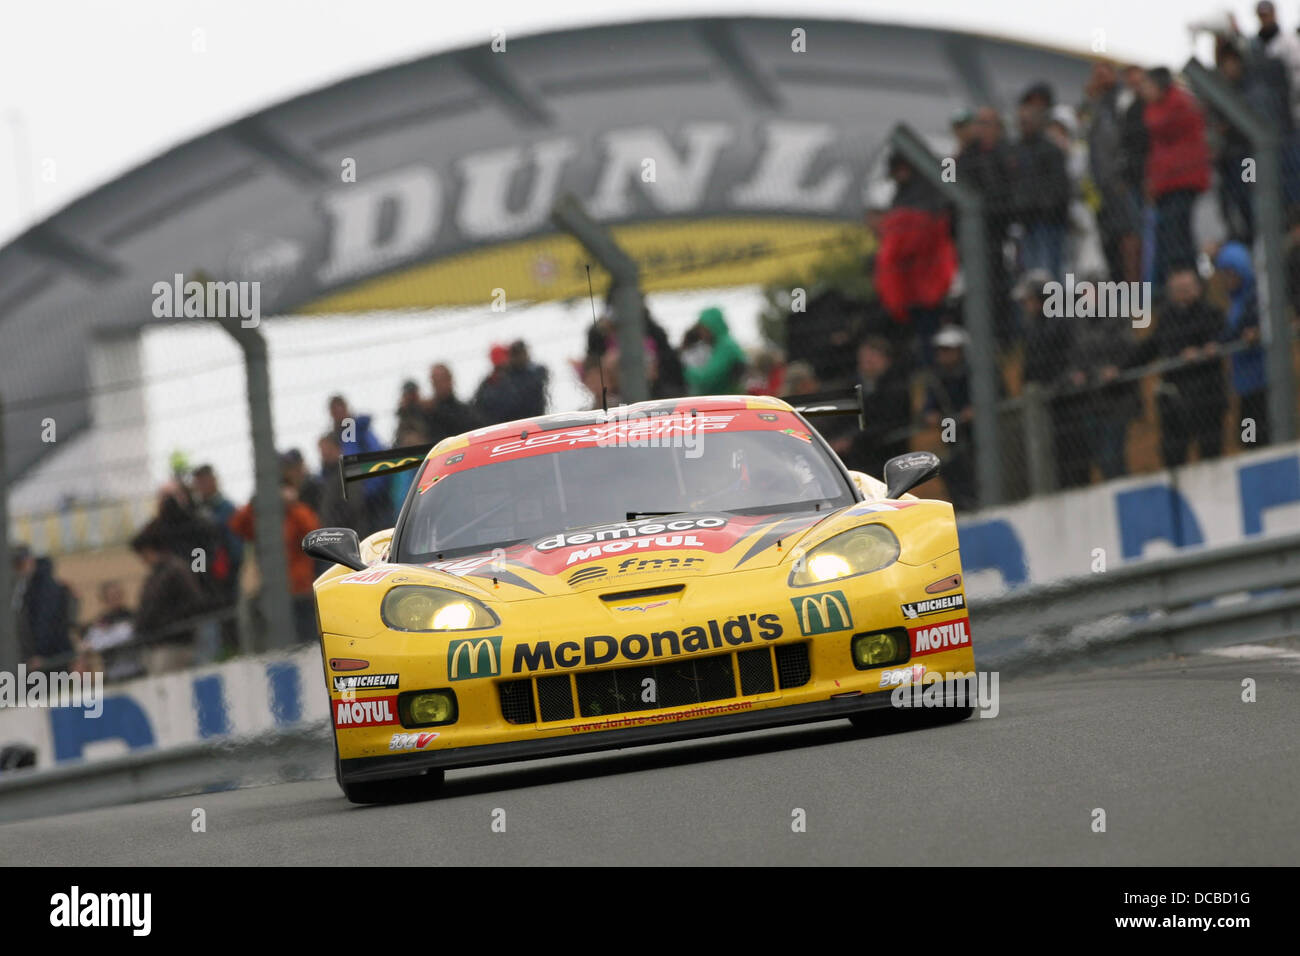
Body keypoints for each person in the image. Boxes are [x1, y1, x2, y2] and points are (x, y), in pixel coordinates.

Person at [1128, 269, 1227, 467]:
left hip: (1207, 393)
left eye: (1186, 289)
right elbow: (1152, 346)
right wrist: (1123, 367)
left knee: (1211, 450)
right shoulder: (1167, 318)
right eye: (1178, 290)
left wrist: (1204, 350)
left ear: (1198, 288)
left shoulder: (1211, 313)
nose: (1183, 294)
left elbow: (1223, 337)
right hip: (1175, 397)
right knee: (1173, 453)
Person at [874, 153, 958, 367]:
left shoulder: (923, 197)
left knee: (929, 337)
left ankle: (932, 371)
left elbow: (911, 242)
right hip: (915, 286)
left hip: (926, 285)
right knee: (922, 338)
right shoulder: (909, 195)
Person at [1140, 67, 1211, 288]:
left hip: (1183, 179)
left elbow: (1160, 125)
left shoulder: (1177, 104)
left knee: (1179, 232)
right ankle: (1174, 280)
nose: (1143, 91)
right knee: (1170, 234)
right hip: (1167, 181)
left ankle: (1187, 279)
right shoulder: (1161, 106)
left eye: (1147, 85)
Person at [229, 478, 322, 645]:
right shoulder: (262, 517)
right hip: (269, 589)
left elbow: (314, 532)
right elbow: (237, 526)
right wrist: (255, 502)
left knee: (307, 641)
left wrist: (292, 505)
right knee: (275, 642)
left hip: (299, 589)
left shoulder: (297, 513)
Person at [1085, 62, 1143, 284]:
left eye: (1104, 73)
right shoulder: (1095, 107)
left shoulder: (1122, 100)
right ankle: (1119, 289)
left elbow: (1125, 140)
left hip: (1121, 182)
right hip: (1102, 187)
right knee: (1110, 240)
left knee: (1130, 235)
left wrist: (1122, 174)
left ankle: (1134, 287)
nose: (1099, 78)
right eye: (1096, 73)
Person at [1012, 82, 1071, 280]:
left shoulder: (1050, 149)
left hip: (1047, 221)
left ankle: (1051, 308)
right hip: (1027, 220)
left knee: (1048, 271)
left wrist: (1042, 206)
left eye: (1027, 121)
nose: (1024, 125)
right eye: (1022, 121)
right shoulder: (1017, 149)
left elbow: (1058, 187)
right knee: (1030, 272)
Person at [1214, 241, 1269, 445]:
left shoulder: (1254, 297)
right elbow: (1230, 333)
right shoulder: (1234, 302)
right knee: (1249, 440)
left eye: (1230, 272)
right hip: (1244, 385)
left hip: (1262, 381)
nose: (1227, 279)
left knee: (1262, 436)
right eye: (1224, 273)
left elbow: (1240, 330)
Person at [130, 526, 205, 675]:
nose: (142, 559)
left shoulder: (174, 571)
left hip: (173, 643)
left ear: (150, 550)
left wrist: (167, 624)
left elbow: (194, 602)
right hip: (160, 643)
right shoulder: (158, 574)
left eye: (142, 554)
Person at [922, 326, 978, 510]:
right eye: (941, 351)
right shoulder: (937, 378)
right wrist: (932, 415)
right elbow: (929, 409)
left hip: (977, 429)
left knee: (975, 460)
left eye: (948, 350)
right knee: (951, 462)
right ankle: (962, 503)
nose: (943, 355)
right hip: (951, 427)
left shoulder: (975, 372)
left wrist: (974, 410)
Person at [844, 336, 912, 478]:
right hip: (862, 447)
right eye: (864, 358)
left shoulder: (896, 387)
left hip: (888, 450)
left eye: (873, 357)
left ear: (886, 360)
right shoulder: (856, 387)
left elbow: (890, 423)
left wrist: (853, 440)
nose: (868, 362)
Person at [328, 393, 394, 535]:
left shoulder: (354, 431)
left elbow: (373, 461)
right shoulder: (339, 435)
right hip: (356, 501)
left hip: (371, 498)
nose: (338, 415)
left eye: (340, 410)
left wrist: (366, 491)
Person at [11, 546, 75, 672]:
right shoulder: (20, 585)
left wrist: (42, 656)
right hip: (31, 658)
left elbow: (46, 622)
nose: (21, 567)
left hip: (47, 658)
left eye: (22, 562)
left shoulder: (45, 588)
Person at [79, 581, 142, 682]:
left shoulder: (134, 617)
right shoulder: (98, 624)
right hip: (112, 675)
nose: (115, 599)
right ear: (104, 600)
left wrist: (106, 638)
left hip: (136, 670)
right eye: (111, 596)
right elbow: (86, 646)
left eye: (118, 595)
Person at [683, 306, 747, 394]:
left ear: (712, 326)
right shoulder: (720, 345)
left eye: (703, 328)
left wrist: (684, 369)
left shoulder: (726, 347)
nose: (700, 333)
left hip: (729, 400)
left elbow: (708, 379)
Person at [423, 362, 479, 444]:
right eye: (436, 381)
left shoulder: (465, 412)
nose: (440, 385)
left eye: (442, 379)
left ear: (450, 380)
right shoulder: (425, 413)